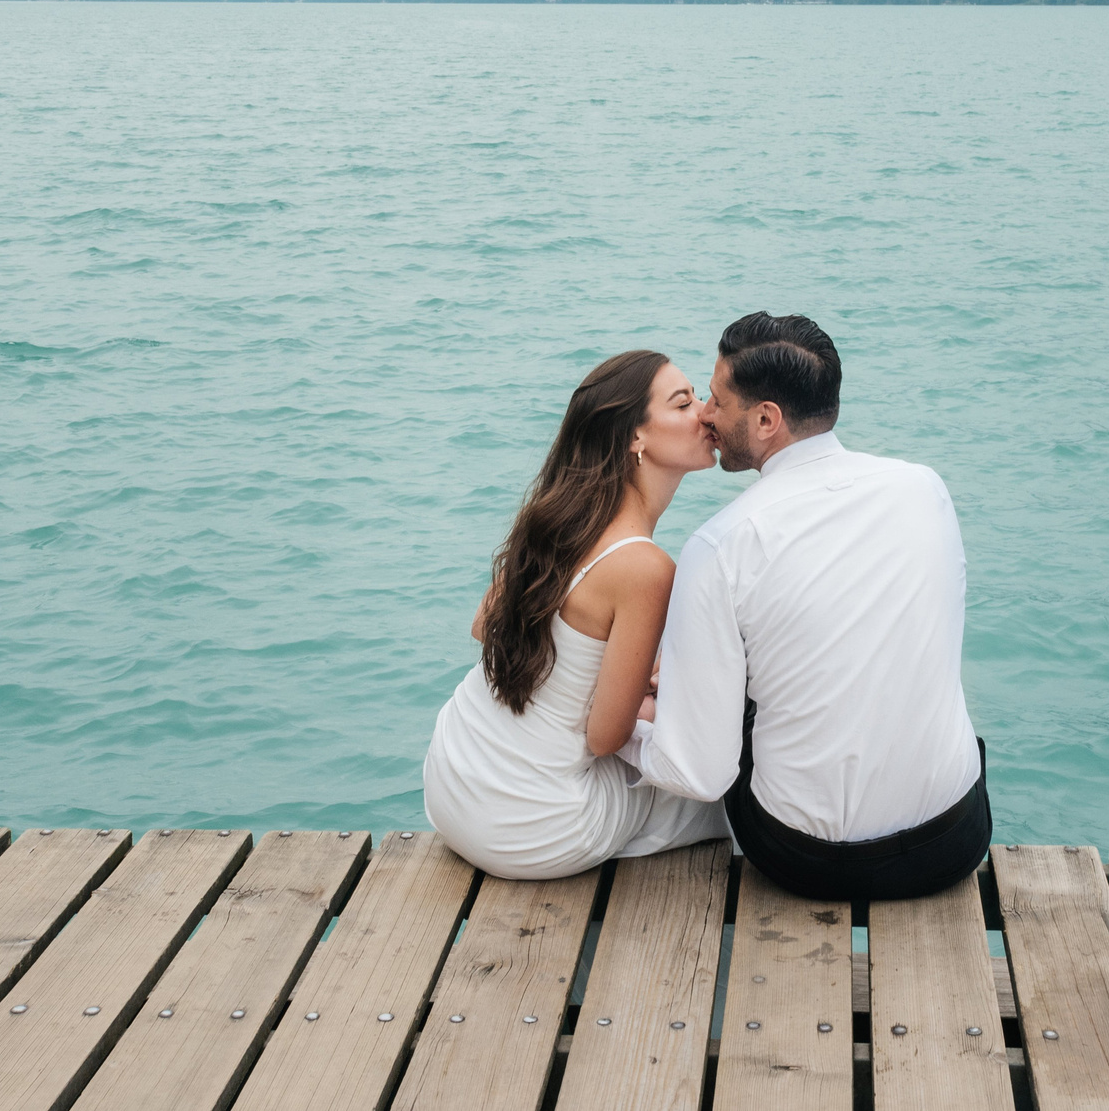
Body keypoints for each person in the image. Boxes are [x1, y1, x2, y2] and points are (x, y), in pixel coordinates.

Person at [627, 312, 989, 902]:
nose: (707, 415)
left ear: (766, 419)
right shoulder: (924, 487)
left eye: (717, 400)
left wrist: (628, 723)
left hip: (808, 861)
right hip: (953, 839)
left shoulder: (720, 544)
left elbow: (699, 774)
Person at [423, 349, 729, 879]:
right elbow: (605, 739)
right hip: (535, 825)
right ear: (634, 437)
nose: (705, 412)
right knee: (717, 796)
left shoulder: (556, 514)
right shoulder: (646, 567)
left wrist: (603, 674)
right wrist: (654, 694)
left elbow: (483, 628)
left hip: (452, 775)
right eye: (684, 403)